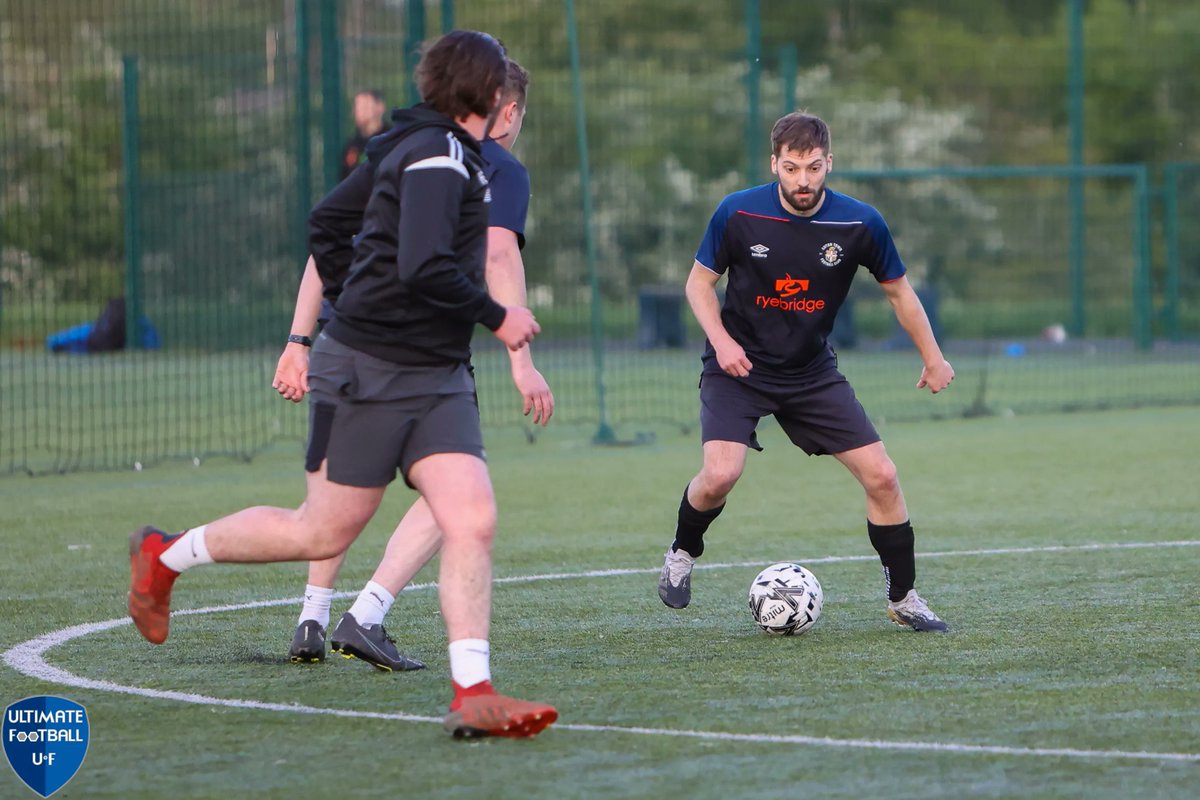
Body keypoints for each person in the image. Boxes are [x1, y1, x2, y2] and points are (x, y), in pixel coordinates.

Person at [128, 31, 558, 739]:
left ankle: (474, 691)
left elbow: (329, 222)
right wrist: (496, 317)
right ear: (488, 95)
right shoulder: (434, 152)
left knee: (472, 516)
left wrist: (367, 286)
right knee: (320, 529)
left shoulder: (433, 149)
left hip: (436, 375)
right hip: (366, 367)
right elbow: (418, 265)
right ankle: (165, 557)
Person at [273, 60, 553, 671]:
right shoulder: (498, 167)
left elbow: (328, 239)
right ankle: (368, 614)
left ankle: (312, 618)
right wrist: (521, 358)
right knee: (456, 485)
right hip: (421, 355)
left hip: (343, 340)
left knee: (336, 492)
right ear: (507, 112)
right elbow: (499, 256)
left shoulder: (401, 148)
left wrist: (299, 339)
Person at [656, 112, 955, 632]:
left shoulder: (859, 223)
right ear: (774, 163)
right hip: (738, 367)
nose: (802, 180)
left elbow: (899, 293)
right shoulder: (738, 212)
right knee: (721, 474)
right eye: (791, 168)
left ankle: (903, 599)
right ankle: (683, 551)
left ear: (829, 164)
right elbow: (697, 285)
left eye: (813, 168)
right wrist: (722, 344)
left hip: (810, 372)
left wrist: (934, 356)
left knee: (883, 477)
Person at [341, 90, 389, 180]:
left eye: (365, 106)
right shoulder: (351, 146)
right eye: (357, 107)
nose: (359, 112)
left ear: (380, 108)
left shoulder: (391, 140)